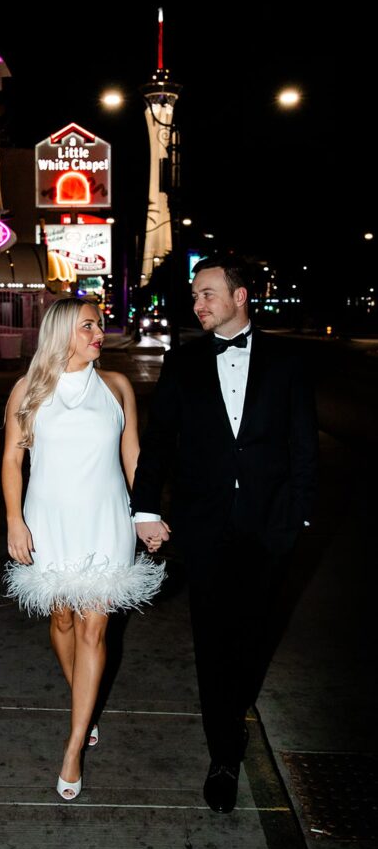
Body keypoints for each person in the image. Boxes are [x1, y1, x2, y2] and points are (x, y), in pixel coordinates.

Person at [131, 254, 318, 813]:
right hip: (205, 526)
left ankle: (234, 714)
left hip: (269, 527)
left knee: (253, 640)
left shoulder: (287, 360)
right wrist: (144, 510)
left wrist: (300, 519)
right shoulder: (182, 362)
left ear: (239, 297)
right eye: (194, 296)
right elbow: (160, 442)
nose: (198, 304)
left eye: (207, 293)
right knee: (212, 642)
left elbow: (302, 445)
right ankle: (222, 757)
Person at [3, 298, 165, 801]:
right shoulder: (29, 390)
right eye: (89, 326)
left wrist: (147, 515)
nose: (100, 333)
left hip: (106, 518)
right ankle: (85, 701)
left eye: (98, 324)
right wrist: (14, 520)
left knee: (95, 624)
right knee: (63, 621)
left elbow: (133, 455)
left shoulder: (116, 387)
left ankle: (74, 746)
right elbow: (12, 461)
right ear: (62, 334)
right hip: (49, 518)